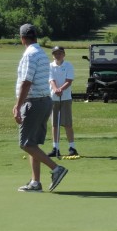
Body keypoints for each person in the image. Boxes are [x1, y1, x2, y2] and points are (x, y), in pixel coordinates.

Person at [14, 24, 69, 192]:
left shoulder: (30, 55)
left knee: (25, 144)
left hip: (34, 102)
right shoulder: (41, 53)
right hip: (45, 101)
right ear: (35, 37)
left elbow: (26, 82)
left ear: (22, 38)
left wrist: (18, 105)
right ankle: (35, 182)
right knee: (33, 143)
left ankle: (56, 168)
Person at [48, 46, 78, 157]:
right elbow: (51, 80)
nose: (57, 55)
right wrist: (56, 89)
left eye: (60, 53)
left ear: (64, 54)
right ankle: (55, 148)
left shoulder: (68, 65)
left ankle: (72, 147)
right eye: (55, 53)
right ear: (53, 55)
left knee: (67, 124)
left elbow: (69, 81)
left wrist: (61, 89)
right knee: (54, 124)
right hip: (53, 98)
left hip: (65, 98)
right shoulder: (50, 66)